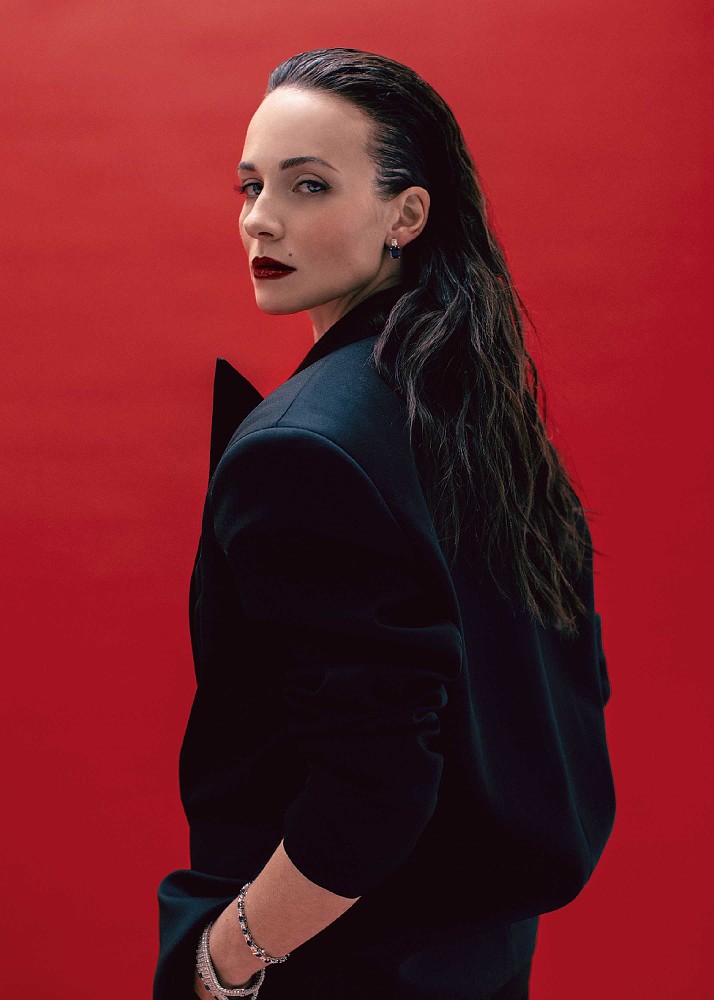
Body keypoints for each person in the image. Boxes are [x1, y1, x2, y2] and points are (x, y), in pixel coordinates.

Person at [154, 47, 616, 1000]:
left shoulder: (307, 449)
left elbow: (375, 786)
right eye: (251, 185)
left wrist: (223, 962)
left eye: (309, 185)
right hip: (476, 960)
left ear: (407, 215)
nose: (260, 218)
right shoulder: (472, 411)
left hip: (340, 965)